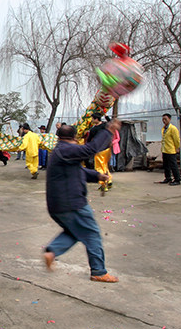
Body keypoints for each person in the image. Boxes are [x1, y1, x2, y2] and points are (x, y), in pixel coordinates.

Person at [43, 121, 122, 283]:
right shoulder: (67, 149)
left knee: (75, 231)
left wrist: (97, 176)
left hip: (58, 205)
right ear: (74, 138)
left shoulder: (60, 152)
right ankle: (98, 271)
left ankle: (52, 252)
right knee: (91, 233)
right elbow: (91, 149)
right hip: (72, 204)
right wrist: (109, 131)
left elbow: (77, 171)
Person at [87, 113, 112, 194]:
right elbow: (111, 122)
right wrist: (106, 116)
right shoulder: (105, 125)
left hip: (99, 150)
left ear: (96, 119)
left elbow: (89, 140)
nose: (91, 120)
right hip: (107, 149)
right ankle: (109, 180)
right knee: (104, 165)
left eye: (92, 119)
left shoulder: (93, 130)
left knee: (99, 167)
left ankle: (103, 185)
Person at [158, 113, 181, 185]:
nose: (164, 121)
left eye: (165, 119)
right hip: (165, 149)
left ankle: (177, 179)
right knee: (166, 165)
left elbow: (176, 139)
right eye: (163, 119)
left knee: (173, 165)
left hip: (171, 150)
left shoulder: (173, 128)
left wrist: (177, 147)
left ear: (169, 119)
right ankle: (168, 177)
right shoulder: (164, 128)